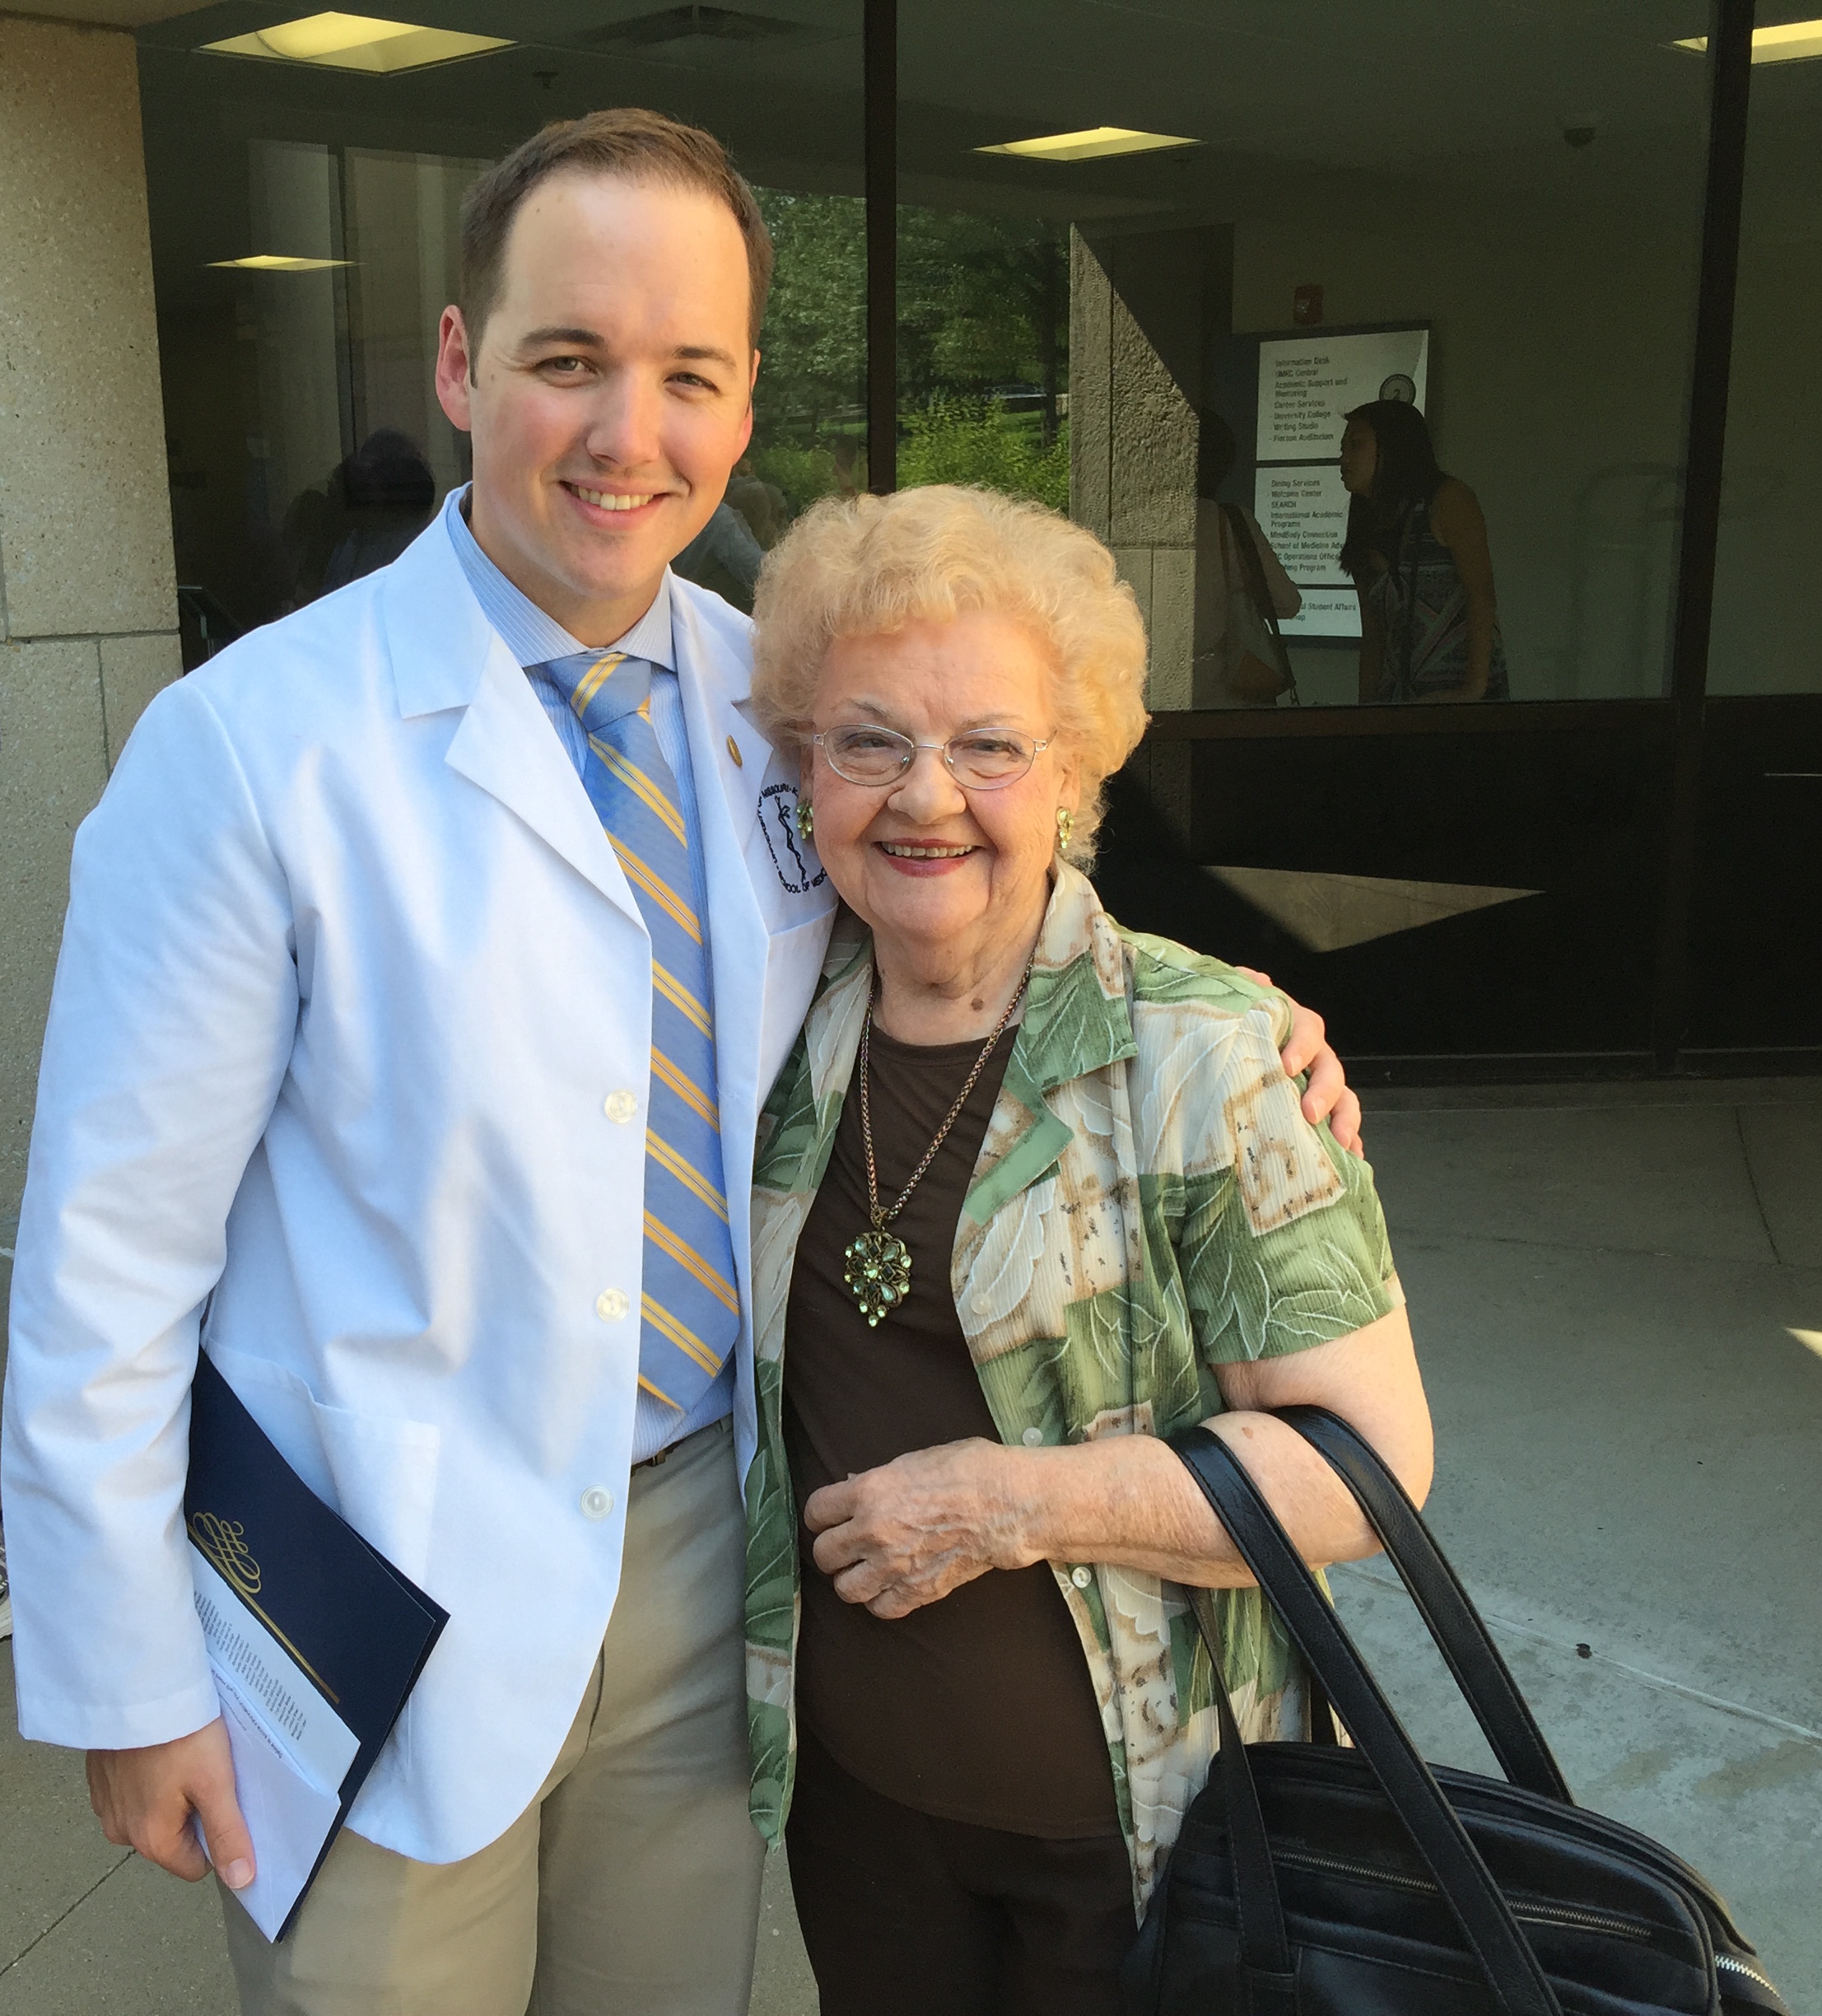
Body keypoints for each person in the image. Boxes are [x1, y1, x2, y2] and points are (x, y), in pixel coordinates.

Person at [1, 111, 1358, 2016]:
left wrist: (1224, 1014)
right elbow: (104, 1262)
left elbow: (979, 870)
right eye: (569, 360)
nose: (627, 432)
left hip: (714, 1570)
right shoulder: (249, 753)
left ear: (735, 412)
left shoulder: (784, 700)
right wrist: (127, 1674)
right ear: (467, 366)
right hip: (374, 1576)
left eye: (689, 377)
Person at [740, 484, 1432, 2016]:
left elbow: (1367, 1467)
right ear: (805, 766)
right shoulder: (771, 1020)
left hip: (1145, 1848)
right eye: (870, 740)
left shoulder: (1205, 1050)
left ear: (1069, 777)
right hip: (859, 1822)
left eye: (987, 745)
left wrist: (1008, 1505)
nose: (926, 794)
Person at [1338, 398, 1508, 702]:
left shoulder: (1448, 500)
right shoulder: (1365, 527)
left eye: (1355, 444)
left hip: (1457, 704)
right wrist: (1363, 714)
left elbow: (1481, 597)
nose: (1344, 458)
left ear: (1392, 446)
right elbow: (1373, 637)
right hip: (1396, 706)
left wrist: (1472, 689)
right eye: (1343, 448)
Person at [1192, 411, 1302, 707]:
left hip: (1149, 704)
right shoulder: (1229, 523)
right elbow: (1287, 601)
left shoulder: (1134, 523)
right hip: (1227, 701)